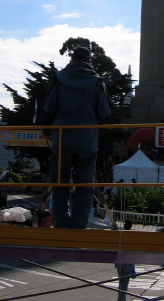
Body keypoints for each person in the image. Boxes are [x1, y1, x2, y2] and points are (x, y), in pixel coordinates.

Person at [43, 46, 112, 228]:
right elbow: (105, 114)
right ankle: (78, 228)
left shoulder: (58, 80)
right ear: (89, 60)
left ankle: (62, 227)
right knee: (84, 187)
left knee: (60, 185)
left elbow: (48, 109)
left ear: (71, 59)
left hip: (62, 140)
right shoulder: (97, 82)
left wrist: (46, 129)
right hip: (87, 142)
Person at [115, 219, 136, 301]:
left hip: (119, 260)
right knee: (125, 282)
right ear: (131, 226)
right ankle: (122, 299)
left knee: (121, 281)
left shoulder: (120, 234)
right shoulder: (133, 235)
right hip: (128, 261)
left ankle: (120, 298)